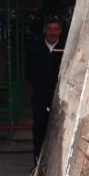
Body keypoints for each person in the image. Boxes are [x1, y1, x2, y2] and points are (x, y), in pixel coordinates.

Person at [25, 15, 65, 163]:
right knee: (40, 131)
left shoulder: (66, 48)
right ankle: (38, 166)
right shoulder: (35, 49)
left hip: (62, 99)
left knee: (60, 132)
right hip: (40, 99)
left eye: (56, 29)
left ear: (60, 31)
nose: (52, 32)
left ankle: (58, 165)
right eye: (49, 29)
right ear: (44, 30)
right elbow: (28, 73)